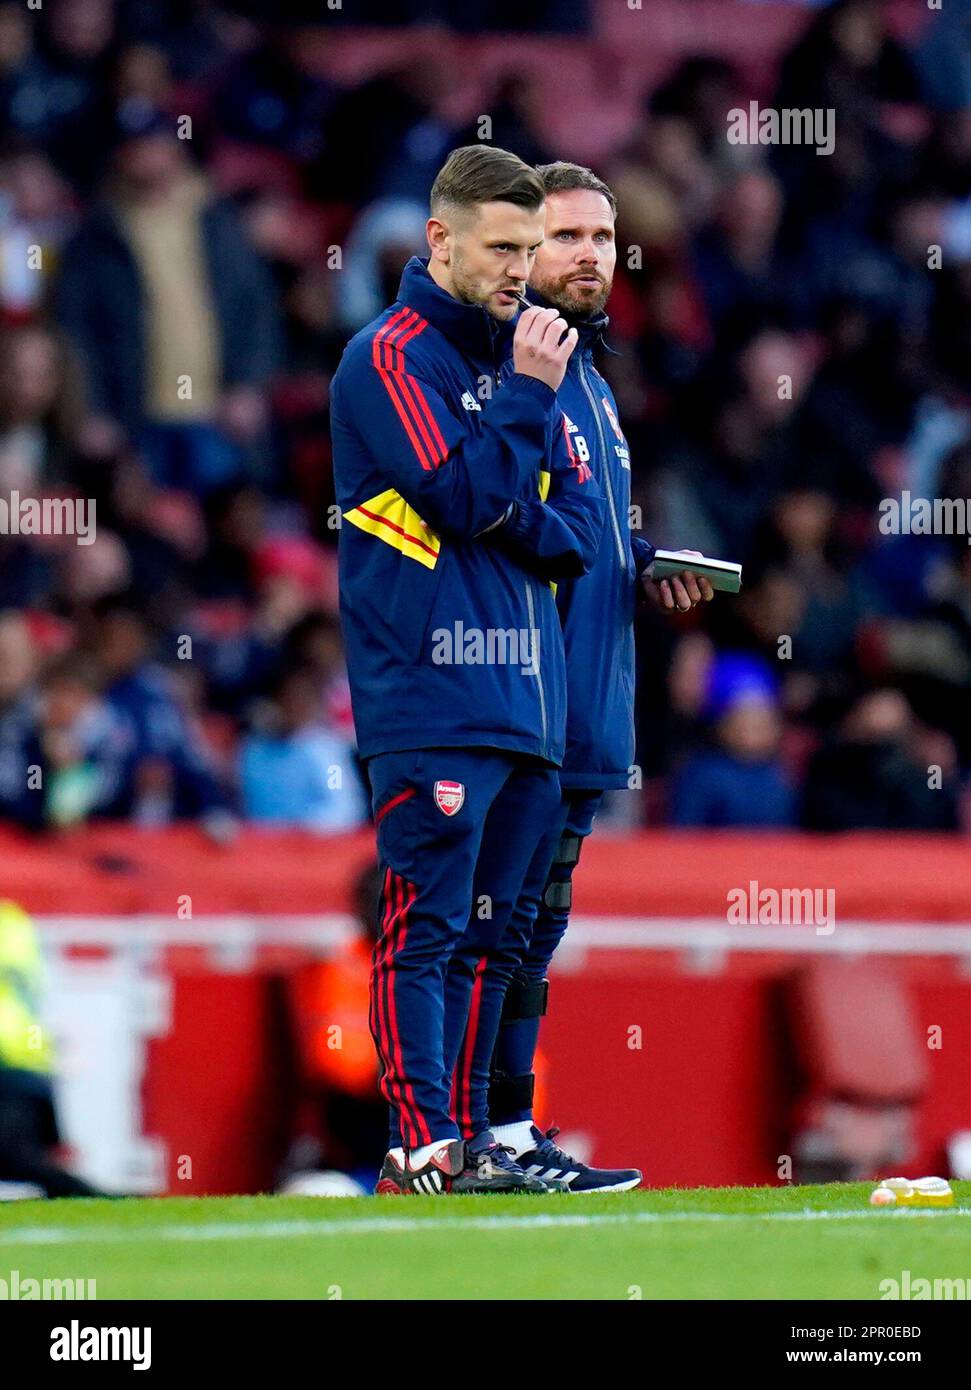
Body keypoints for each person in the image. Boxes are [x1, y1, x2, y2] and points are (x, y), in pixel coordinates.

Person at [330, 145, 603, 1195]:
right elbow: (460, 497)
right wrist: (526, 408)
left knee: (495, 938)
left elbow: (574, 531)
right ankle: (421, 1146)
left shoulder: (537, 355)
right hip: (429, 692)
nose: (520, 270)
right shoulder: (388, 357)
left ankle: (481, 1138)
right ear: (439, 240)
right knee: (427, 926)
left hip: (527, 698)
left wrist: (509, 498)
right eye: (501, 247)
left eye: (531, 249)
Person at [466, 162, 714, 1191]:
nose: (586, 257)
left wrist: (640, 560)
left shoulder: (594, 386)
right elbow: (480, 515)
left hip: (589, 707)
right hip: (525, 700)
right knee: (495, 922)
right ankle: (467, 1134)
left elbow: (574, 531)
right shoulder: (505, 372)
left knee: (535, 931)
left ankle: (511, 1130)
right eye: (563, 236)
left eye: (601, 240)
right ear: (518, 253)